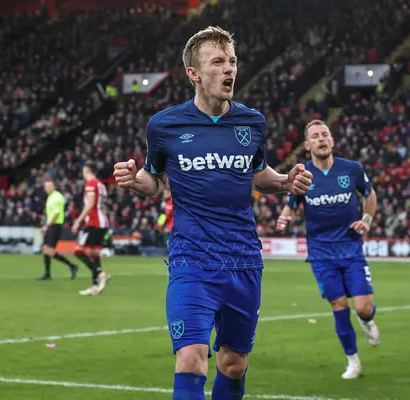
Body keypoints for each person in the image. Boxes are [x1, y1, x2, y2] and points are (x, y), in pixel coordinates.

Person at [113, 26, 312, 400]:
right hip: (192, 259)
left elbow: (258, 174)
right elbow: (154, 181)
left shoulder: (252, 122)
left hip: (243, 260)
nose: (229, 70)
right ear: (194, 73)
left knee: (233, 364)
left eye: (232, 61)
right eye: (217, 62)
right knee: (191, 357)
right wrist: (133, 179)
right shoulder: (165, 125)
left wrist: (286, 180)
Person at [277, 119, 379, 380]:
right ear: (307, 144)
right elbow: (291, 204)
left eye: (325, 134)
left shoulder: (351, 170)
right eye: (315, 136)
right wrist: (284, 217)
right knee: (338, 304)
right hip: (321, 252)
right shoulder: (304, 176)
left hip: (351, 247)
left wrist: (366, 220)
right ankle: (353, 362)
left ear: (332, 140)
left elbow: (369, 194)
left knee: (364, 307)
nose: (321, 139)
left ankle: (367, 321)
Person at [71, 161, 111, 296]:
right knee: (94, 253)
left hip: (93, 222)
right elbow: (102, 205)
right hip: (102, 222)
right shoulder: (101, 185)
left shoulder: (91, 184)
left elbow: (90, 204)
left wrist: (78, 221)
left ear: (87, 171)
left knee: (78, 250)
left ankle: (100, 274)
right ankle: (95, 286)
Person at [38, 177, 79, 280]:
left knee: (49, 251)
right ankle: (47, 274)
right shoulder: (51, 197)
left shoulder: (57, 197)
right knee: (45, 249)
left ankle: (72, 266)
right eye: (46, 186)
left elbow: (56, 214)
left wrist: (47, 225)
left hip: (55, 226)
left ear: (53, 186)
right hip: (50, 225)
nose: (47, 188)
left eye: (49, 186)